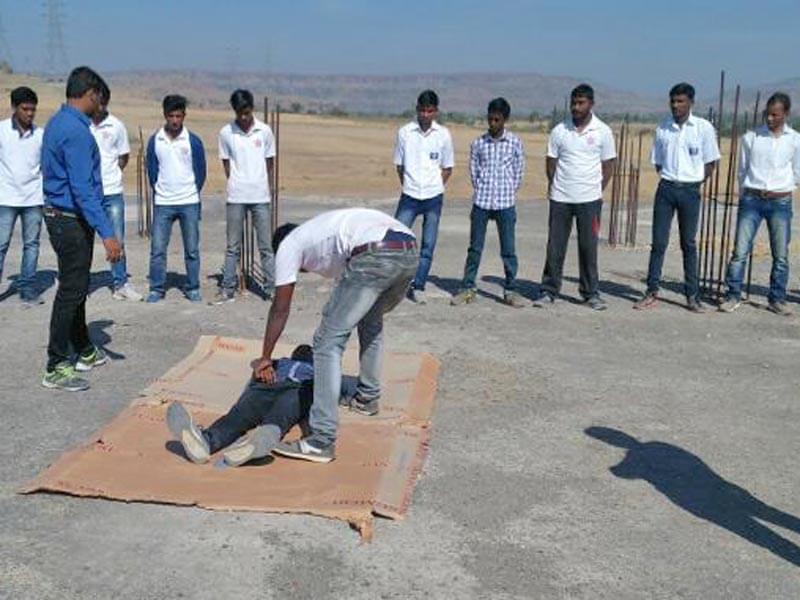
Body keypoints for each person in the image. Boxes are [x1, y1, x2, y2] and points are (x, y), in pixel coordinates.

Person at [252, 208, 418, 463]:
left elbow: (280, 307)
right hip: (408, 250)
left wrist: (265, 357)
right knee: (370, 323)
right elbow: (348, 294)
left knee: (326, 343)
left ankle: (321, 440)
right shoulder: (323, 234)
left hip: (376, 253)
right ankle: (367, 399)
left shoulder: (288, 244)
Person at [40, 67, 123, 392]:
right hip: (69, 219)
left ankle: (82, 348)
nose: (101, 106)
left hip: (66, 217)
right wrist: (107, 233)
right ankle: (56, 364)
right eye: (100, 99)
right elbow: (82, 189)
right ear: (90, 94)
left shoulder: (60, 123)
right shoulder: (74, 132)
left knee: (76, 285)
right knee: (71, 291)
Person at [634, 82, 720, 313]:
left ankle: (692, 295)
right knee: (659, 243)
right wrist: (672, 180)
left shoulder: (703, 128)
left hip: (690, 191)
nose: (676, 105)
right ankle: (651, 291)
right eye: (673, 101)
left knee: (688, 243)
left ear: (691, 103)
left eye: (680, 101)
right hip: (667, 190)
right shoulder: (663, 128)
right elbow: (658, 162)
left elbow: (711, 162)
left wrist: (695, 182)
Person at [534, 84, 616, 310]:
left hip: (589, 199)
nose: (576, 107)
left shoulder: (602, 131)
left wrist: (598, 189)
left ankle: (590, 293)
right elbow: (551, 161)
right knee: (555, 246)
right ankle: (548, 290)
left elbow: (608, 164)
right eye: (573, 103)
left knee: (588, 247)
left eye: (581, 103)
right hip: (561, 198)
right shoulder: (560, 130)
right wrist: (555, 185)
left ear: (591, 104)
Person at [166, 345, 315, 467]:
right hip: (280, 388)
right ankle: (211, 442)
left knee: (246, 418)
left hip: (281, 389)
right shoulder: (282, 363)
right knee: (257, 418)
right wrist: (264, 366)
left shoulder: (302, 368)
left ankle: (211, 441)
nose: (306, 351)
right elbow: (256, 364)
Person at [719, 92, 800, 316]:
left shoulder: (795, 140)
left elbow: (797, 172)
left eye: (775, 115)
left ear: (786, 114)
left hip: (780, 201)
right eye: (768, 114)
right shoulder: (751, 137)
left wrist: (783, 187)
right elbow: (742, 170)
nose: (770, 119)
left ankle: (777, 299)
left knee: (780, 254)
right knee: (740, 251)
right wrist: (746, 191)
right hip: (752, 200)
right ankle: (732, 295)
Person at [451, 97, 525, 307]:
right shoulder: (478, 143)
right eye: (490, 119)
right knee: (474, 248)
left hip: (505, 204)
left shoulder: (515, 143)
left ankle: (510, 289)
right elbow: (474, 172)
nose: (492, 124)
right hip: (482, 203)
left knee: (508, 250)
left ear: (505, 120)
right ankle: (467, 288)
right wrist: (482, 189)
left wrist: (508, 190)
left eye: (497, 120)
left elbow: (519, 172)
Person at [213, 89, 276, 304]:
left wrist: (256, 180)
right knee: (233, 246)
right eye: (239, 113)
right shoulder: (226, 133)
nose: (243, 118)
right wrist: (239, 181)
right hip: (236, 196)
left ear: (252, 109)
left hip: (260, 196)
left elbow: (269, 161)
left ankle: (271, 289)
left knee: (266, 246)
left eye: (247, 113)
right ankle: (227, 286)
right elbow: (226, 164)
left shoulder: (265, 131)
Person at [393, 89, 454, 305]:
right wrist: (409, 184)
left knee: (428, 244)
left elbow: (447, 167)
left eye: (430, 111)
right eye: (422, 110)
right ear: (416, 109)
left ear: (436, 111)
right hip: (409, 195)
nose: (425, 115)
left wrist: (435, 186)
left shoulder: (443, 135)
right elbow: (399, 165)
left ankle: (418, 285)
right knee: (396, 239)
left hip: (433, 197)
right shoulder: (405, 133)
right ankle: (393, 284)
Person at [145, 94, 207, 303]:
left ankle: (192, 287)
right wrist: (161, 190)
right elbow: (152, 170)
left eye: (178, 116)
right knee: (158, 250)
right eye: (171, 116)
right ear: (165, 115)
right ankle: (156, 288)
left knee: (191, 249)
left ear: (184, 116)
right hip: (163, 203)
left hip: (189, 201)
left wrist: (191, 191)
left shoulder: (193, 141)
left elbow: (201, 172)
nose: (174, 120)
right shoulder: (156, 140)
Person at [90, 89, 142, 301]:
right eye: (97, 102)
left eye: (104, 103)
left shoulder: (116, 126)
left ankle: (120, 283)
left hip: (111, 192)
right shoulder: (82, 124)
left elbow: (124, 157)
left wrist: (111, 175)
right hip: (87, 193)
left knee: (117, 239)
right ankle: (76, 283)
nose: (100, 107)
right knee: (81, 240)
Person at [0, 86, 45, 305]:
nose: (29, 114)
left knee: (32, 245)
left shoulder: (41, 135)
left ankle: (27, 288)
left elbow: (46, 166)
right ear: (14, 108)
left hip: (33, 200)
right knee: (0, 245)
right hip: (5, 199)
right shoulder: (1, 131)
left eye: (33, 110)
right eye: (25, 109)